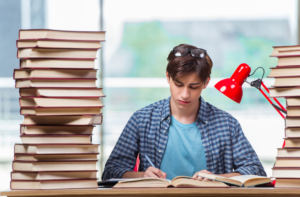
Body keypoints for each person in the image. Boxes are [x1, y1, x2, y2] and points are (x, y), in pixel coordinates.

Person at [101, 44, 266, 181]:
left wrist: (218, 178)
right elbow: (111, 171)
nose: (185, 94)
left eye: (193, 87)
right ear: (168, 77)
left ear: (206, 83)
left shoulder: (227, 124)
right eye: (179, 84)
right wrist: (142, 175)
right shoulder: (141, 119)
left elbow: (256, 171)